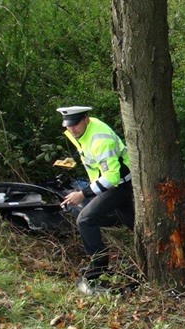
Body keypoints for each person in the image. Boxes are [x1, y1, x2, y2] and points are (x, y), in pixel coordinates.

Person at [57, 106, 134, 279]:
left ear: (86, 118)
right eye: (68, 125)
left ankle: (99, 267)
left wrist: (83, 194)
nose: (71, 129)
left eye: (75, 124)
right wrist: (74, 159)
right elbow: (87, 149)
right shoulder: (82, 130)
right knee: (134, 223)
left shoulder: (100, 139)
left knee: (85, 220)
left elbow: (112, 177)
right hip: (112, 182)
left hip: (117, 185)